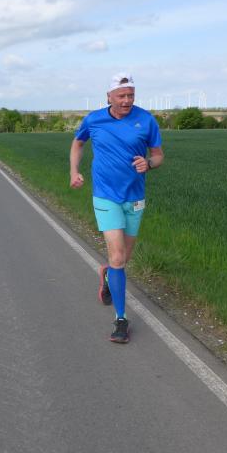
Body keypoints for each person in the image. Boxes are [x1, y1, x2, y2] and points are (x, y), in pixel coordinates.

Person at [69, 72, 164, 343]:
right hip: (105, 196)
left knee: (122, 259)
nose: (126, 100)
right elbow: (78, 143)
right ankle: (121, 320)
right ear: (109, 96)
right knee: (119, 258)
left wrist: (149, 164)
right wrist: (74, 171)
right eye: (121, 96)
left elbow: (158, 155)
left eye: (131, 95)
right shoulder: (94, 119)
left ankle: (108, 273)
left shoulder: (146, 120)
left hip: (135, 197)